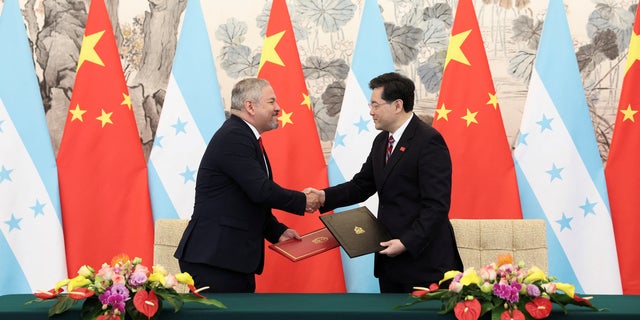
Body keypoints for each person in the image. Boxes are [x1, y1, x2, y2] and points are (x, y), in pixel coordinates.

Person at [307, 72, 462, 293]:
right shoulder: (382, 141)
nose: (371, 112)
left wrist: (406, 242)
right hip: (390, 260)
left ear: (397, 105)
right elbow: (362, 185)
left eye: (376, 105)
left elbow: (436, 205)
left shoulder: (428, 141)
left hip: (424, 260)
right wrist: (324, 196)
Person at [174, 78, 320, 293]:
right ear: (250, 106)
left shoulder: (245, 136)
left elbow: (247, 199)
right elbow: (261, 190)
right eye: (271, 102)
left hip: (230, 259)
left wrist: (277, 231)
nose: (278, 108)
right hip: (215, 259)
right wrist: (304, 201)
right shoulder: (234, 136)